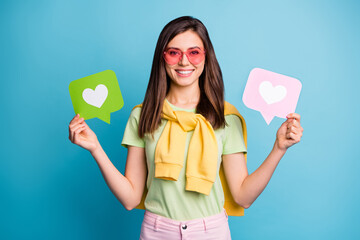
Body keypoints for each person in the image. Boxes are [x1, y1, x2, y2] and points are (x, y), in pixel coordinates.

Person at [68, 16, 303, 240]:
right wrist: (95, 148)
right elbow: (130, 199)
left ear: (206, 57)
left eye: (194, 53)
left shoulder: (226, 118)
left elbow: (243, 196)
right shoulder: (143, 116)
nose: (184, 61)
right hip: (157, 231)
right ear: (162, 57)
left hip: (211, 231)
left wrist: (279, 148)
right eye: (174, 53)